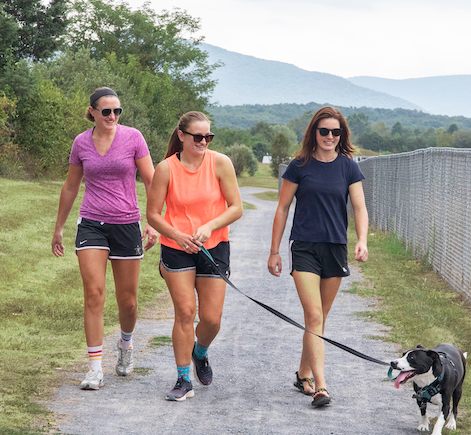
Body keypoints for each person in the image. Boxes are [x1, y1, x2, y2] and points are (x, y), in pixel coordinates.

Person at [52, 87, 157, 390]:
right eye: (106, 111)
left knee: (128, 302)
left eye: (117, 111)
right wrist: (59, 227)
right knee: (94, 294)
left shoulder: (133, 138)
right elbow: (71, 186)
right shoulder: (80, 143)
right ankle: (95, 367)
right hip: (92, 225)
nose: (113, 116)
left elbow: (151, 180)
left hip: (126, 224)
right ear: (93, 112)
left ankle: (125, 345)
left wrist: (153, 222)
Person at [267, 106, 368, 408]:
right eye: (324, 131)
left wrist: (362, 240)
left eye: (335, 132)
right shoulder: (299, 165)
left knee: (319, 319)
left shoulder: (348, 167)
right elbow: (282, 208)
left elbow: (359, 207)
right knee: (313, 315)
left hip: (335, 247)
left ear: (342, 135)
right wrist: (274, 250)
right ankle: (322, 386)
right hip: (305, 247)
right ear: (314, 132)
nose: (329, 136)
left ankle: (302, 374)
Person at [146, 111, 243, 401]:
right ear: (182, 136)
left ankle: (199, 352)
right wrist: (176, 235)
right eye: (198, 136)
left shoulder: (220, 163)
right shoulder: (166, 168)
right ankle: (182, 378)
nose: (204, 141)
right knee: (185, 312)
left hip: (213, 247)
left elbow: (236, 207)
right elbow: (152, 214)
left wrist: (210, 225)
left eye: (208, 136)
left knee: (211, 319)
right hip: (177, 248)